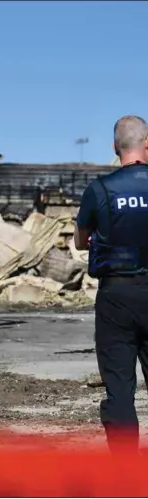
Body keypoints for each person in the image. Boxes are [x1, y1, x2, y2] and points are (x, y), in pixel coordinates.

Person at [74, 115, 148, 454]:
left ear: (114, 148)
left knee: (119, 389)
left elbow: (79, 241)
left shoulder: (99, 190)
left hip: (116, 295)